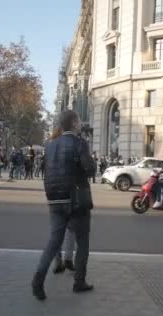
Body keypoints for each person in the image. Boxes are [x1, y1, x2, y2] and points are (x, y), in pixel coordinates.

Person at [32, 110, 95, 301]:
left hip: (55, 199)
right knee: (82, 241)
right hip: (77, 200)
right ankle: (79, 282)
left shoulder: (50, 145)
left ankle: (38, 279)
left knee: (54, 242)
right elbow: (90, 169)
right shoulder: (80, 143)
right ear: (75, 123)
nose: (80, 126)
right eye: (78, 123)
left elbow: (46, 172)